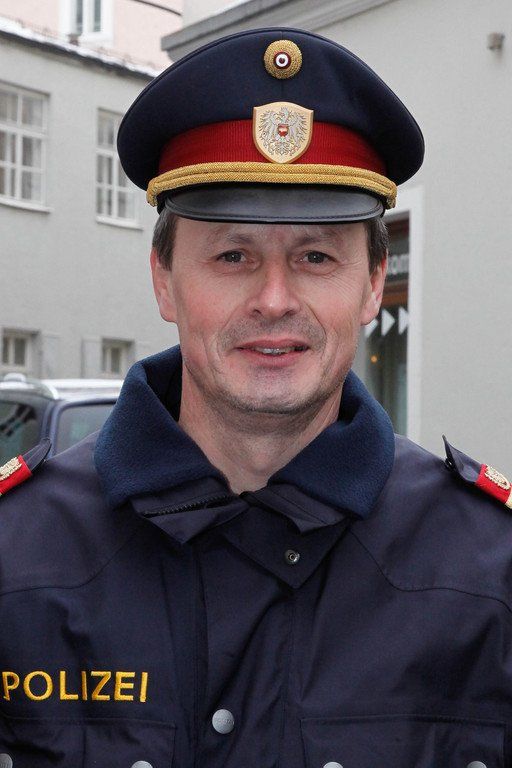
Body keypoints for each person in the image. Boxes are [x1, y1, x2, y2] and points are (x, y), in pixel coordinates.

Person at [0, 26, 511, 768]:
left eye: (316, 256)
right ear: (164, 280)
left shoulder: (489, 572)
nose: (275, 299)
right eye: (233, 255)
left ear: (373, 284)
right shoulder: (16, 557)